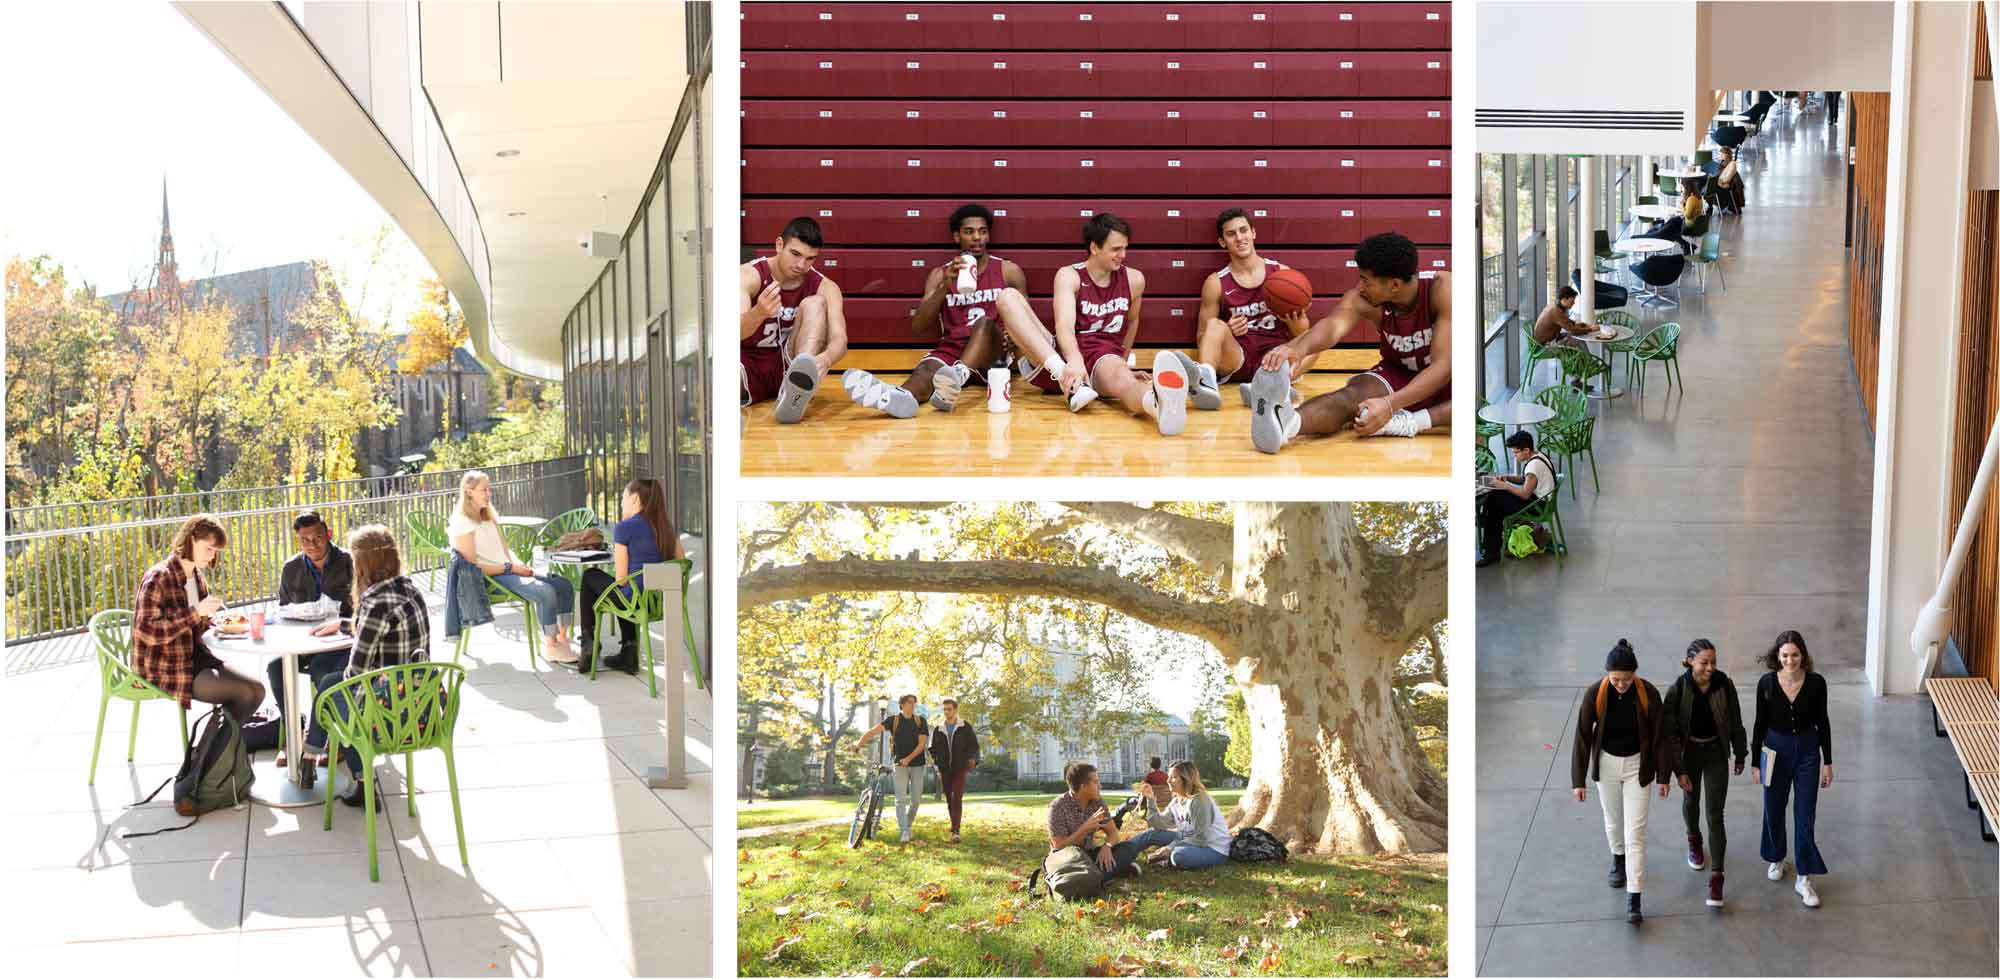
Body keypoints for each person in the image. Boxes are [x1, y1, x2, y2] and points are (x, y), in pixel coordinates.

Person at [1253, 232, 1452, 449]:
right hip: (1399, 372)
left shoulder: (1442, 289)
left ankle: (1412, 422)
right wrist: (1298, 349)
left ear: (1394, 286)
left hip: (1448, 378)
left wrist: (1389, 404)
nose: (1361, 286)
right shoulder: (1365, 298)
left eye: (1366, 280)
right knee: (1352, 395)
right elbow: (1333, 325)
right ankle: (1285, 424)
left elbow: (1443, 367)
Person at [844, 203, 1037, 418]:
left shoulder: (1008, 271)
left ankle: (955, 376)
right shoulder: (940, 275)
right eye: (969, 232)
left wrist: (1013, 339)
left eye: (982, 232)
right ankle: (900, 398)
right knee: (924, 371)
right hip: (953, 349)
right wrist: (945, 286)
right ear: (956, 237)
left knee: (984, 323)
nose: (977, 238)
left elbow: (1026, 322)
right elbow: (918, 325)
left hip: (992, 354)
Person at [1017, 214, 1190, 434]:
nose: (1123, 255)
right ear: (1094, 247)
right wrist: (1074, 361)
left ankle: (1157, 405)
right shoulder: (1069, 275)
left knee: (1123, 380)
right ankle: (1069, 381)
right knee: (1008, 297)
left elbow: (1132, 321)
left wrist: (1123, 364)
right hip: (1061, 358)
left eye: (1125, 248)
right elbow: (1064, 326)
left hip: (1102, 357)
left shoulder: (1134, 279)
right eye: (1116, 249)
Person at [314, 524, 431, 807]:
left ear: (363, 563)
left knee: (331, 689)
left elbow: (356, 674)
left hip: (390, 718)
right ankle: (315, 752)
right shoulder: (410, 590)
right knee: (329, 681)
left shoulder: (375, 602)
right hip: (422, 710)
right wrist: (344, 624)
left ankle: (318, 758)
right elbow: (387, 630)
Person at [1570, 639, 1671, 924]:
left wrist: (1664, 775)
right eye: (1615, 679)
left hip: (1638, 767)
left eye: (1626, 679)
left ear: (1635, 674)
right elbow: (1582, 736)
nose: (1621, 685)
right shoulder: (1595, 693)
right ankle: (1618, 858)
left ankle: (1634, 897)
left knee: (1635, 831)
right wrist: (1578, 780)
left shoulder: (1648, 693)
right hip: (1607, 765)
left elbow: (1661, 736)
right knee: (1613, 820)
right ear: (1607, 674)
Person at [132, 514, 267, 723]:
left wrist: (218, 621)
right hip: (166, 666)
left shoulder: (195, 576)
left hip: (195, 657)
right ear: (192, 539)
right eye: (209, 549)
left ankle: (214, 750)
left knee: (257, 691)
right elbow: (147, 632)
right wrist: (195, 613)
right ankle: (210, 751)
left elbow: (199, 622)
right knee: (244, 694)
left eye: (215, 552)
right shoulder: (158, 577)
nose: (212, 557)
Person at [1186, 208, 1317, 410]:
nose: (1239, 238)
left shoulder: (1282, 273)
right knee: (1214, 324)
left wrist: (1295, 323)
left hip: (1276, 357)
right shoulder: (1216, 282)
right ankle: (1207, 385)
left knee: (1316, 343)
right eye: (1231, 234)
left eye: (1243, 230)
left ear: (1253, 233)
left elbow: (1302, 333)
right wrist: (1228, 330)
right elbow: (1203, 336)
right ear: (1222, 242)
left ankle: (1273, 384)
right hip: (1238, 356)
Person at [446, 470, 577, 664]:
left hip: (507, 570)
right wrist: (511, 568)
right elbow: (472, 569)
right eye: (484, 490)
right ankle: (551, 646)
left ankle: (562, 639)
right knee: (546, 591)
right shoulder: (462, 522)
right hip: (490, 579)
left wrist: (518, 564)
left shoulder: (488, 516)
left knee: (563, 584)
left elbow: (504, 549)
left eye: (489, 489)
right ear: (469, 492)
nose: (488, 494)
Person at [1661, 639, 1747, 909]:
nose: (1710, 667)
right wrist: (1679, 769)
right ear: (1689, 661)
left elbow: (1735, 720)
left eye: (1714, 662)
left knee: (1715, 813)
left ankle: (1717, 877)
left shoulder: (1724, 685)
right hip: (1689, 755)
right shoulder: (1679, 689)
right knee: (1691, 802)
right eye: (1704, 662)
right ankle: (1694, 840)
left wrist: (1741, 752)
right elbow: (1670, 732)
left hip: (1716, 754)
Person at [741, 217, 849, 423]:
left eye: (810, 258)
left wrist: (825, 360)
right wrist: (759, 312)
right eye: (796, 254)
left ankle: (797, 385)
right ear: (779, 244)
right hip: (749, 364)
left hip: (790, 363)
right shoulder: (748, 276)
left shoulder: (826, 287)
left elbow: (840, 340)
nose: (801, 264)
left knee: (816, 303)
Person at [267, 510, 354, 767]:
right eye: (305, 540)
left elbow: (361, 607)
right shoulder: (291, 568)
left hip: (341, 641)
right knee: (276, 668)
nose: (312, 545)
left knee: (322, 671)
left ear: (328, 534)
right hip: (305, 640)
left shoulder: (349, 562)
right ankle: (295, 733)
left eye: (317, 537)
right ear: (298, 541)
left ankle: (334, 739)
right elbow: (283, 611)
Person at [1752, 629, 1832, 908]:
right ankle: (1777, 856)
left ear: (1803, 655)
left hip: (1808, 753)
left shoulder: (1817, 683)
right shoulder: (1766, 684)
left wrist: (1828, 762)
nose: (1790, 660)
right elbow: (1759, 725)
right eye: (1785, 655)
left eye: (1795, 654)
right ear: (1778, 656)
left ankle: (1804, 878)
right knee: (1773, 808)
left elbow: (1823, 722)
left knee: (1805, 815)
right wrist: (1755, 763)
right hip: (1774, 752)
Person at [578, 478, 685, 674]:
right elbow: (680, 565)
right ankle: (628, 652)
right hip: (662, 602)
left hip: (636, 602)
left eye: (623, 497)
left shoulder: (624, 528)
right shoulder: (668, 528)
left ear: (635, 499)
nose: (621, 502)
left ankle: (588, 642)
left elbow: (621, 579)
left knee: (591, 576)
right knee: (632, 589)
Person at [1047, 761, 1179, 879]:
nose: (1100, 786)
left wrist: (1107, 846)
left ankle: (1092, 875)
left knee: (1129, 847)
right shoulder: (1058, 806)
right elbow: (1059, 846)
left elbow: (1113, 833)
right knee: (1078, 865)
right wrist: (1084, 828)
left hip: (1090, 855)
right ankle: (1103, 873)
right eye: (1095, 782)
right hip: (1067, 859)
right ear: (1083, 786)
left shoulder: (1097, 803)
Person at [854, 694, 930, 843]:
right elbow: (872, 732)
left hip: (917, 765)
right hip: (899, 765)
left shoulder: (921, 721)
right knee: (900, 800)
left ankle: (907, 825)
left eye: (914, 702)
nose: (913, 705)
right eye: (910, 702)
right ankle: (904, 831)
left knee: (915, 800)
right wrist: (858, 743)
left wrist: (908, 759)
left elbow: (922, 745)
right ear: (902, 705)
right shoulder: (893, 720)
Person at [1476, 431, 1557, 567]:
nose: (1514, 456)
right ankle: (1490, 533)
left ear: (1526, 450)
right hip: (1539, 500)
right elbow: (1525, 480)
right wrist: (1507, 477)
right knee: (1494, 499)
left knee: (1494, 503)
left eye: (1516, 452)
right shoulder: (1539, 456)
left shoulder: (1533, 467)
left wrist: (1505, 485)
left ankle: (1491, 550)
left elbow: (1525, 493)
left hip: (1538, 506)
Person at [1137, 760, 1234, 870]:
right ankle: (1122, 856)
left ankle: (1165, 861)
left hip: (1213, 849)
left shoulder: (1200, 800)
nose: (1168, 780)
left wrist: (1170, 848)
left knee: (1178, 855)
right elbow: (1159, 823)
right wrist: (1150, 798)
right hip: (1187, 839)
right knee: (1151, 834)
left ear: (1186, 779)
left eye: (1173, 777)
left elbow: (1201, 838)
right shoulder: (1176, 801)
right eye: (1168, 776)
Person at [927, 698, 980, 843]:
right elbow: (932, 749)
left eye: (949, 709)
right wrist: (937, 763)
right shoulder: (939, 729)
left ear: (955, 710)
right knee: (949, 798)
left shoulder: (965, 726)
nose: (947, 712)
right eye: (944, 709)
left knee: (957, 796)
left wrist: (973, 759)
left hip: (960, 767)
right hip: (945, 769)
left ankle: (956, 830)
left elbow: (974, 746)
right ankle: (954, 826)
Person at [1530, 287, 1596, 348]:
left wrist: (1583, 325)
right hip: (1544, 345)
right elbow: (1573, 331)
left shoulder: (1554, 306)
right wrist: (1591, 329)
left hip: (1546, 340)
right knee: (1576, 339)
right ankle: (1588, 360)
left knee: (1575, 337)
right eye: (1572, 301)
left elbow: (1567, 322)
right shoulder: (1556, 312)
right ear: (1564, 300)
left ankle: (1583, 360)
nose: (1574, 303)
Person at [1712, 147, 1747, 214]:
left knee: (1708, 188)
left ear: (1727, 154)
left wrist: (1718, 179)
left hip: (1727, 186)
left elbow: (1726, 179)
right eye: (1720, 154)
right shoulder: (1723, 163)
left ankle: (1711, 207)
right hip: (1723, 184)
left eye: (1722, 154)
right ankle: (1713, 206)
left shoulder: (1731, 164)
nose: (1720, 155)